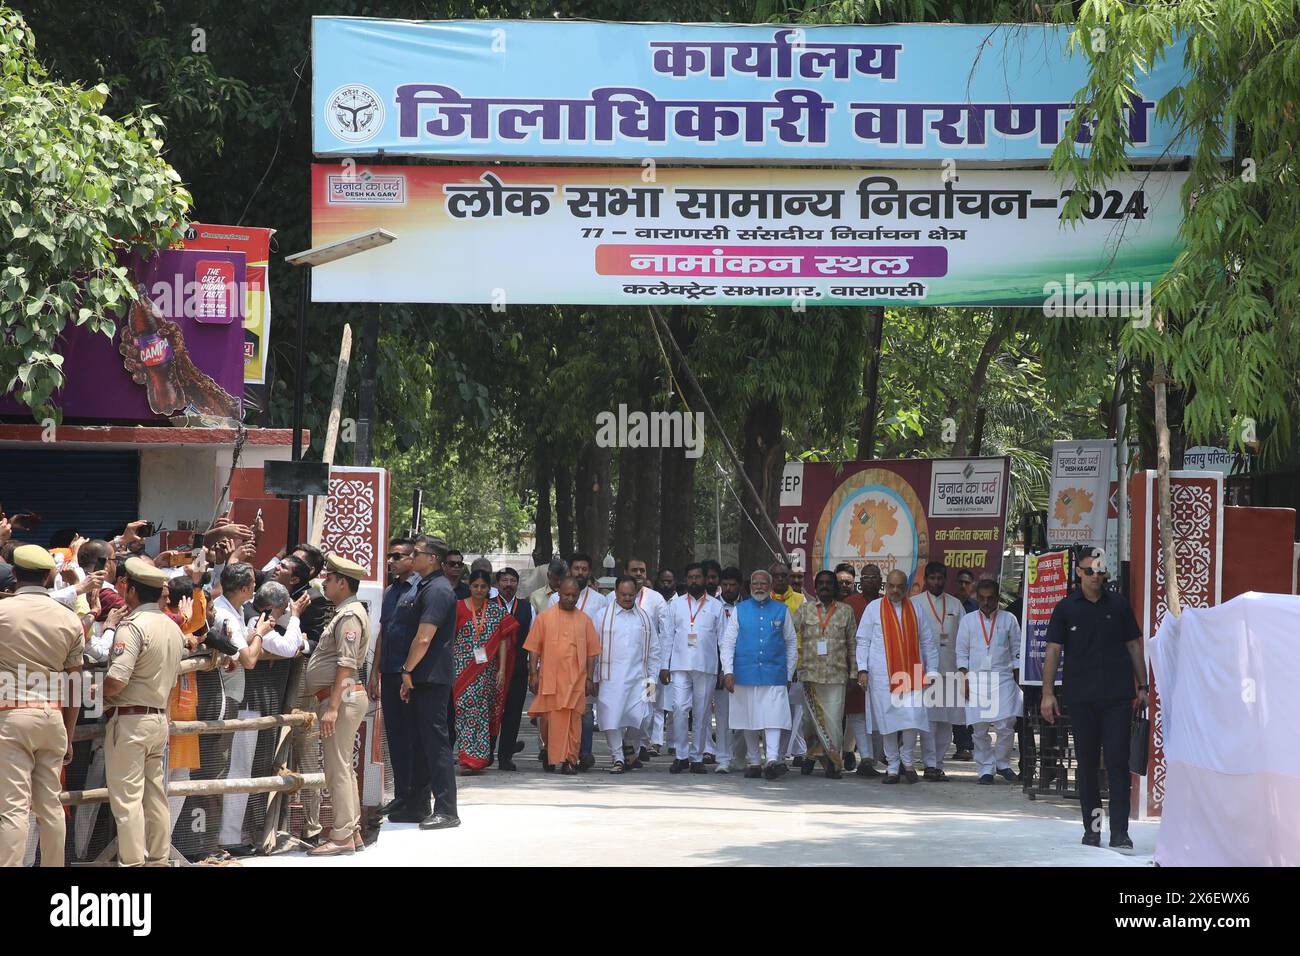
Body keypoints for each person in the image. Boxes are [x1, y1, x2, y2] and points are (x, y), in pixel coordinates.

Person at [1041, 549, 1146, 851]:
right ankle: (1093, 829)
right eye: (1090, 571)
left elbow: (1133, 646)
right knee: (1087, 766)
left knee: (1116, 764)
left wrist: (1143, 686)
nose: (1096, 576)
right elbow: (1053, 652)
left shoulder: (1119, 606)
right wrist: (1047, 694)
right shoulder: (1066, 608)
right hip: (1082, 698)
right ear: (1079, 572)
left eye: (1101, 571)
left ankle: (1120, 832)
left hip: (1116, 698)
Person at [0, 545, 83, 867]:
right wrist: (69, 731)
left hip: (10, 716)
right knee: (50, 806)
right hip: (52, 717)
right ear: (49, 576)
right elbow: (74, 685)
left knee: (12, 809)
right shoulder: (69, 618)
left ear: (15, 574)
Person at [103, 557, 186, 866]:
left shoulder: (132, 628)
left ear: (133, 591)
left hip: (130, 721)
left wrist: (94, 692)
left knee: (127, 802)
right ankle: (159, 860)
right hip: (158, 719)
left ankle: (133, 863)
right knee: (155, 797)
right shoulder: (173, 627)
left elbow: (116, 680)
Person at [305, 555, 374, 856]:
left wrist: (332, 707)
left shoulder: (349, 616)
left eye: (329, 579)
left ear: (342, 582)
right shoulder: (346, 612)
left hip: (341, 698)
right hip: (341, 697)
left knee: (338, 769)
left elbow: (346, 665)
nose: (325, 583)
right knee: (342, 766)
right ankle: (352, 831)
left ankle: (342, 834)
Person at [393, 535, 461, 831]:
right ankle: (418, 805)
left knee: (436, 743)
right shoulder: (425, 586)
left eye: (417, 553)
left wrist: (407, 670)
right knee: (420, 742)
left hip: (430, 676)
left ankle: (447, 809)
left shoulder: (438, 590)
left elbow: (424, 638)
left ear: (432, 558)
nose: (411, 557)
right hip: (422, 676)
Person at [856, 570, 938, 783]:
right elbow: (863, 640)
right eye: (891, 586)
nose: (895, 590)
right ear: (886, 586)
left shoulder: (916, 609)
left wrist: (932, 672)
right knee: (888, 721)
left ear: (906, 588)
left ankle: (907, 761)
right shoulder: (873, 609)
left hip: (912, 673)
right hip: (882, 675)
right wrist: (862, 669)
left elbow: (928, 642)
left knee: (912, 719)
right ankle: (892, 767)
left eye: (899, 587)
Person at [721, 569, 797, 780]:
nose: (760, 587)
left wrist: (789, 673)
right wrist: (728, 671)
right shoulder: (740, 610)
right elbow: (728, 643)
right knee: (749, 718)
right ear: (750, 586)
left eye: (764, 583)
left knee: (773, 718)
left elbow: (791, 643)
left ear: (770, 587)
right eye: (756, 584)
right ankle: (754, 761)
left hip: (774, 673)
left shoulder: (781, 610)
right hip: (744, 673)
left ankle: (772, 759)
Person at [525, 577, 600, 775]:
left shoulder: (585, 620)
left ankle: (569, 760)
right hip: (550, 679)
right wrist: (532, 673)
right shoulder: (545, 618)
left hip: (576, 681)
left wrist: (590, 678)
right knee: (549, 722)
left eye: (574, 595)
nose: (570, 598)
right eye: (566, 594)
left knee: (574, 722)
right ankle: (550, 755)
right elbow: (534, 648)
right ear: (558, 593)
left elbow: (592, 652)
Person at [369, 538, 420, 815]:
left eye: (397, 556)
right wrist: (374, 671)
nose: (391, 561)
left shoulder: (419, 590)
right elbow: (383, 632)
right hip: (388, 671)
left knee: (413, 735)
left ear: (412, 559)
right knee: (396, 737)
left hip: (408, 674)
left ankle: (416, 795)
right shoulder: (389, 592)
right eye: (389, 556)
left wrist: (409, 672)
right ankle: (401, 793)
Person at [658, 562, 725, 774]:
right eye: (690, 577)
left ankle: (696, 757)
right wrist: (663, 665)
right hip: (678, 664)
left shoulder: (716, 606)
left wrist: (725, 669)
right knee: (678, 708)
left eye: (698, 577)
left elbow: (723, 641)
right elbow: (667, 636)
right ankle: (680, 755)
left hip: (706, 666)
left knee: (702, 713)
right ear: (686, 580)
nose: (694, 581)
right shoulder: (675, 605)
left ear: (706, 579)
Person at [451, 569, 519, 774]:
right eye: (475, 586)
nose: (479, 590)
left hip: (486, 671)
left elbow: (503, 641)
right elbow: (449, 638)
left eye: (483, 586)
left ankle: (477, 760)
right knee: (462, 711)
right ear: (469, 586)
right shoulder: (458, 608)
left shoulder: (496, 611)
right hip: (461, 669)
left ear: (489, 589)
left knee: (481, 713)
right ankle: (466, 756)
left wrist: (502, 669)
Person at [957, 578, 1023, 786]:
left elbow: (1017, 651)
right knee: (980, 728)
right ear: (977, 598)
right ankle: (985, 768)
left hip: (1003, 678)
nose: (986, 603)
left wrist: (1018, 677)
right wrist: (964, 679)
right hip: (976, 679)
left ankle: (1002, 764)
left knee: (1006, 723)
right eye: (982, 599)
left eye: (990, 598)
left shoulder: (1009, 619)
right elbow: (961, 653)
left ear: (998, 598)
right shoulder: (968, 620)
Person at [792, 570, 857, 778]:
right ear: (815, 586)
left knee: (834, 722)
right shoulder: (804, 610)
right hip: (809, 675)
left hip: (836, 676)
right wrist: (792, 666)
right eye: (821, 583)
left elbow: (852, 644)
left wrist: (854, 673)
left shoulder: (846, 611)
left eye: (829, 583)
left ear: (835, 586)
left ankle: (833, 763)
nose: (825, 586)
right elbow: (789, 637)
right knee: (809, 723)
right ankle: (812, 755)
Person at [595, 575, 660, 773]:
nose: (627, 598)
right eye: (623, 594)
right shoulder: (601, 616)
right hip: (609, 679)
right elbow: (592, 650)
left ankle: (629, 743)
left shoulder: (644, 618)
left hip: (640, 678)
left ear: (637, 594)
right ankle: (618, 757)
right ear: (615, 593)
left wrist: (653, 680)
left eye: (631, 595)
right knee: (611, 717)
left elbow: (654, 651)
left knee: (644, 717)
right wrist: (593, 677)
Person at [548, 552, 605, 770]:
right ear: (570, 570)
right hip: (559, 670)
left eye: (584, 569)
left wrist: (593, 674)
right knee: (558, 715)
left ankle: (584, 754)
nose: (580, 572)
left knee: (585, 714)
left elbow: (598, 639)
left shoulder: (600, 601)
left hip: (585, 668)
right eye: (576, 568)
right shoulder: (555, 599)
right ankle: (557, 754)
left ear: (589, 572)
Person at [913, 561, 964, 782]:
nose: (936, 582)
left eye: (940, 578)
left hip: (950, 668)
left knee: (946, 720)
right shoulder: (914, 604)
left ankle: (939, 762)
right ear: (925, 579)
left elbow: (963, 639)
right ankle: (929, 763)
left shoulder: (955, 605)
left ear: (945, 579)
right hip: (922, 670)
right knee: (928, 719)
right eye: (932, 578)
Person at [626, 557, 668, 761]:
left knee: (647, 706)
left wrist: (663, 664)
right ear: (626, 571)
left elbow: (665, 632)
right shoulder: (615, 598)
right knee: (627, 707)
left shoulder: (656, 598)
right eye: (634, 570)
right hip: (625, 667)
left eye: (642, 570)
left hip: (650, 667)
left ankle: (642, 744)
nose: (639, 574)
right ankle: (628, 746)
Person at [493, 567, 533, 771]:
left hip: (517, 668)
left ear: (518, 584)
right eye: (504, 581)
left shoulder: (527, 607)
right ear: (497, 584)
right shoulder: (489, 605)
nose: (508, 585)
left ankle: (505, 756)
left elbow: (533, 641)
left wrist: (533, 671)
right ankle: (486, 753)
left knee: (513, 713)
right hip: (492, 670)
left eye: (512, 581)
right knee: (490, 712)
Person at [710, 566, 744, 772]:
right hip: (721, 669)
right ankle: (722, 758)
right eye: (725, 585)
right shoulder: (713, 606)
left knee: (742, 715)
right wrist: (722, 669)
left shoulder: (748, 606)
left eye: (733, 585)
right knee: (722, 716)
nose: (729, 588)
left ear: (740, 585)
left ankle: (739, 756)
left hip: (745, 667)